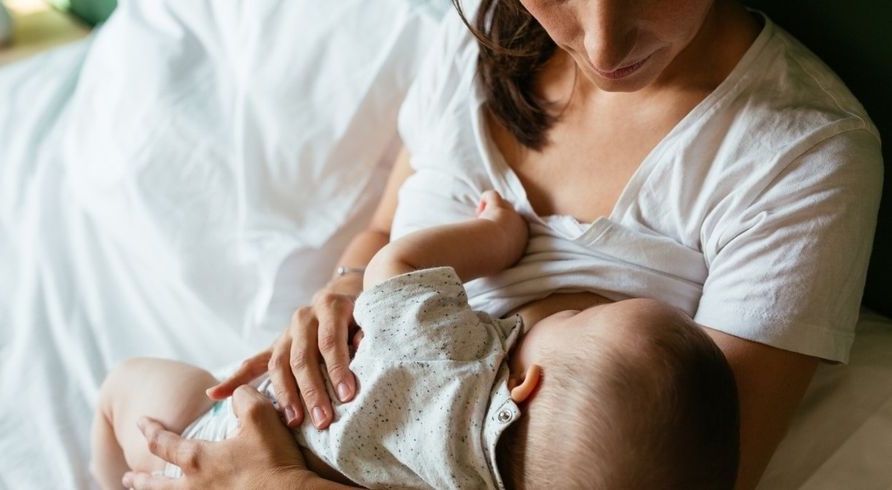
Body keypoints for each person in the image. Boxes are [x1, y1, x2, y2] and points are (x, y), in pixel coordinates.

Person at [122, 0, 883, 487]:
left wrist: (279, 485)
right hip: (286, 424)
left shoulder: (803, 157)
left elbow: (690, 477)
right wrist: (347, 287)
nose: (603, 40)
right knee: (136, 397)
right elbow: (385, 232)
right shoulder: (481, 40)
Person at [95, 192, 739, 489]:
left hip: (219, 438)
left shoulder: (456, 355)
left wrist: (495, 238)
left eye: (580, 320)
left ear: (524, 383)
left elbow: (391, 269)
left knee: (125, 389)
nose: (576, 307)